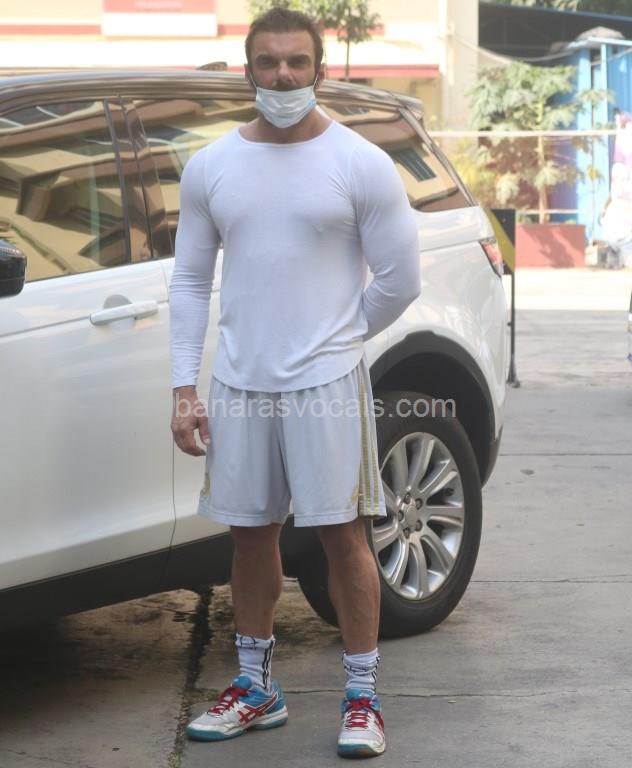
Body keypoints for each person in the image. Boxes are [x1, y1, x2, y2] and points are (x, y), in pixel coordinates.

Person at [169, 8, 420, 759]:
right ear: (247, 70)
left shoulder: (359, 162)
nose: (283, 75)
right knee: (250, 537)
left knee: (343, 536)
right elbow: (190, 280)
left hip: (326, 384)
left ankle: (363, 697)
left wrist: (337, 338)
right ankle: (256, 688)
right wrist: (184, 388)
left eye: (297, 62)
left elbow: (401, 279)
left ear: (320, 69)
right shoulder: (211, 166)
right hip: (239, 381)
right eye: (269, 62)